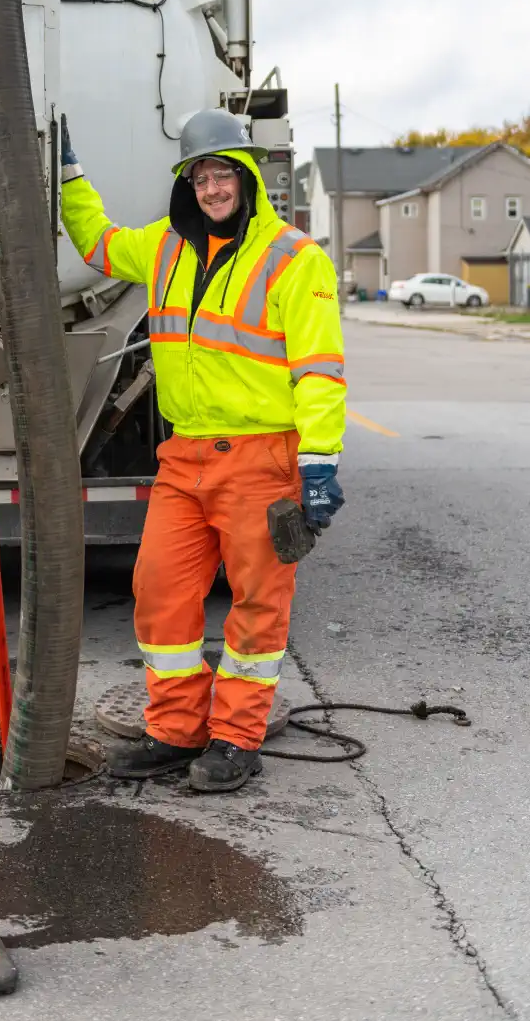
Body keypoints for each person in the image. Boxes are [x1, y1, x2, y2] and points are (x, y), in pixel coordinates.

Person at [61, 110, 346, 792]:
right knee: (159, 593)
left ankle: (237, 738)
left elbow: (319, 372)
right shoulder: (164, 246)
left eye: (223, 173)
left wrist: (319, 465)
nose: (212, 186)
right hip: (184, 459)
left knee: (257, 603)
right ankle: (177, 728)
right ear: (186, 184)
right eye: (200, 175)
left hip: (261, 459)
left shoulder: (294, 259)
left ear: (247, 176)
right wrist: (69, 175)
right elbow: (98, 243)